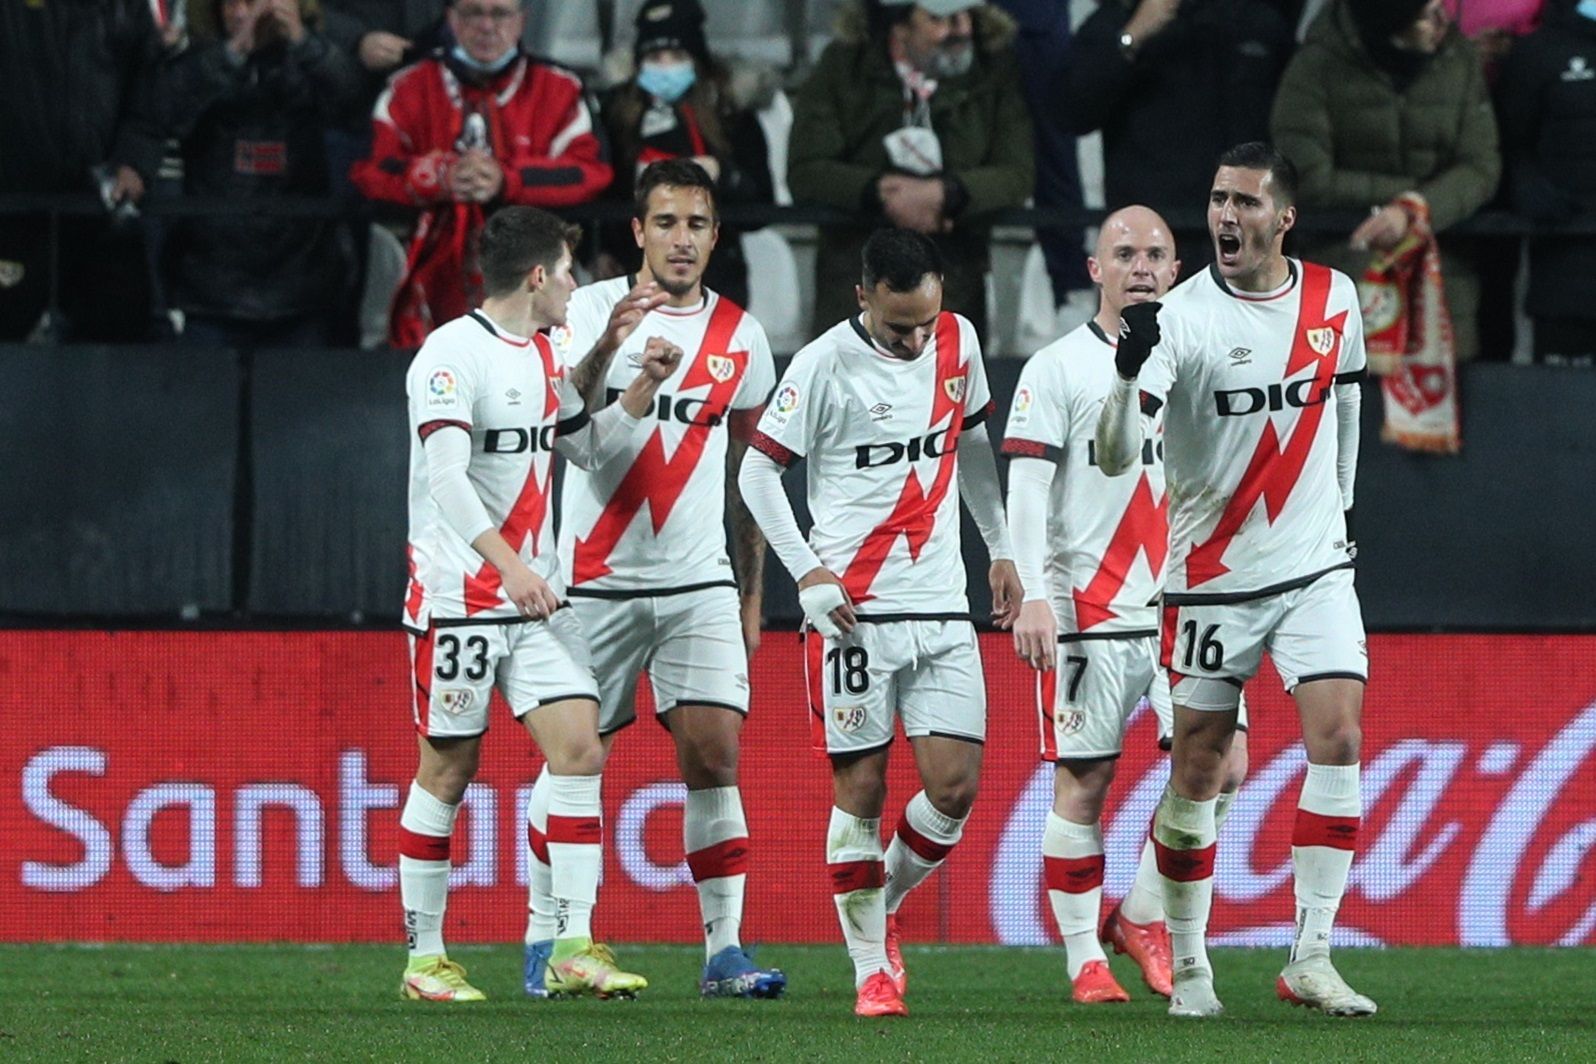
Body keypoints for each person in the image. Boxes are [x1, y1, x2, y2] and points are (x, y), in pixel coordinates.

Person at [1094, 143, 1372, 1018]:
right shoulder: (1177, 318)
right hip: (1212, 579)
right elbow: (1112, 457)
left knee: (1338, 737)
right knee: (1202, 772)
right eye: (1216, 199)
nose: (1225, 216)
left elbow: (1349, 402)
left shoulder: (1335, 297)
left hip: (1317, 564)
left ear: (1283, 217)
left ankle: (1312, 955)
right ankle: (1192, 967)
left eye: (1246, 202)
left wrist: (1342, 512)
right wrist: (1126, 373)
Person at [737, 228, 1021, 1017]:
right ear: (862, 297)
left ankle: (881, 903)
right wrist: (809, 572)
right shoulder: (824, 364)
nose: (918, 339)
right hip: (853, 615)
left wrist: (998, 545)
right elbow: (758, 470)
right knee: (860, 788)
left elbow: (969, 443)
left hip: (940, 602)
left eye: (928, 321)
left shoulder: (957, 341)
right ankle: (869, 968)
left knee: (955, 790)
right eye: (901, 327)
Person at [397, 205, 678, 1003]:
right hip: (460, 599)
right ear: (538, 277)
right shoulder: (449, 356)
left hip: (534, 601)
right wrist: (510, 566)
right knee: (448, 770)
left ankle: (572, 943)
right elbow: (446, 478)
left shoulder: (547, 349)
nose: (576, 286)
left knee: (581, 752)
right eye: (569, 271)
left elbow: (587, 447)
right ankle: (424, 958)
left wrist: (639, 379)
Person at [526, 160, 785, 1000]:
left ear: (715, 236)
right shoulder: (589, 310)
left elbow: (750, 470)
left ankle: (724, 952)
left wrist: (751, 592)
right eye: (666, 223)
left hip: (695, 583)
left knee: (716, 755)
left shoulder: (743, 337)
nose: (682, 239)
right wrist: (610, 346)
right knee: (575, 760)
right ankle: (551, 938)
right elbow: (562, 426)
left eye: (697, 225)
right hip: (591, 582)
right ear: (638, 232)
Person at [1003, 205, 1249, 1005]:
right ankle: (1084, 961)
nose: (1141, 266)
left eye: (1155, 254)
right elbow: (1029, 489)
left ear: (1176, 271)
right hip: (1091, 609)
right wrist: (1036, 594)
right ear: (1094, 270)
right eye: (1124, 253)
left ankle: (1140, 914)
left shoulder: (1202, 362)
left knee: (1225, 765)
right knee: (1087, 779)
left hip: (1184, 604)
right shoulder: (1057, 367)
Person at [350, 0, 612, 347]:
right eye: (474, 12)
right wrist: (436, 177)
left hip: (538, 289)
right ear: (451, 19)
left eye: (500, 13)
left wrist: (508, 180)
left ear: (521, 21)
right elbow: (370, 170)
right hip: (427, 294)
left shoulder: (560, 87)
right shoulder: (407, 85)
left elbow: (590, 172)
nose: (487, 26)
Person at [788, 0, 1033, 342]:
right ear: (899, 28)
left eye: (966, 16)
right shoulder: (845, 66)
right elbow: (806, 171)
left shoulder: (993, 68)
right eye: (940, 19)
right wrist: (881, 192)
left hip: (953, 284)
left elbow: (1017, 173)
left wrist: (948, 194)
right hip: (853, 285)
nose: (961, 29)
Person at [1271, 0, 1499, 361]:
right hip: (1345, 278)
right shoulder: (1317, 66)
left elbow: (1481, 165)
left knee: (1437, 413)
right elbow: (1306, 175)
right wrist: (1401, 202)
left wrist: (1415, 209)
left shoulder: (1459, 60)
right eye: (1426, 15)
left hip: (1443, 281)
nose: (1443, 24)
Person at [161, 0, 365, 348]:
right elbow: (164, 111)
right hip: (213, 287)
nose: (244, 14)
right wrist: (233, 53)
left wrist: (302, 40)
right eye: (232, 3)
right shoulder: (198, 61)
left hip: (302, 285)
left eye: (255, 2)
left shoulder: (313, 58)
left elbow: (353, 102)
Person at [1065, 0, 1292, 273]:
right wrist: (1131, 37)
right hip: (1149, 243)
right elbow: (1071, 111)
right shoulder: (1123, 15)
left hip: (1245, 237)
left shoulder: (1261, 23)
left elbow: (1292, 126)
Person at [0, 0, 166, 341]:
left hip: (100, 205)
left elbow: (149, 92)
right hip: (13, 205)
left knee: (117, 343)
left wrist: (134, 161)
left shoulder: (127, 7)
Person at [594, 0, 775, 310]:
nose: (665, 66)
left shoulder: (731, 115)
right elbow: (599, 189)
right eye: (654, 57)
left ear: (697, 61)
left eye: (677, 56)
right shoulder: (614, 114)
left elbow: (761, 207)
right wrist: (596, 252)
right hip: (631, 277)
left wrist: (721, 173)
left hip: (716, 283)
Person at [1497, 1, 1596, 365]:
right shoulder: (1540, 52)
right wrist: (1525, 185)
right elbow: (1507, 141)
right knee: (1563, 409)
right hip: (1566, 267)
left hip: (1563, 257)